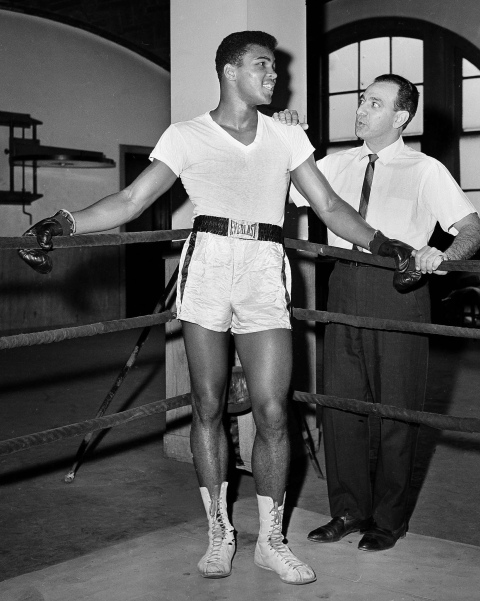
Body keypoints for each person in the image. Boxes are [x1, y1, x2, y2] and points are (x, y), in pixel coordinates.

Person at [18, 34, 416, 584]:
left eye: (275, 69)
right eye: (263, 67)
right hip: (206, 266)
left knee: (274, 409)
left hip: (263, 269)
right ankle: (219, 532)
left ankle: (271, 538)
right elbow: (132, 201)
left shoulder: (284, 136)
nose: (274, 76)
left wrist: (383, 244)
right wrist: (62, 222)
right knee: (207, 404)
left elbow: (327, 205)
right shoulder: (186, 135)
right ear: (230, 72)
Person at [285, 73, 480, 552]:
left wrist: (445, 256)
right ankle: (349, 510)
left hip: (400, 290)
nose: (360, 109)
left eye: (374, 103)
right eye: (360, 100)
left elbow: (472, 228)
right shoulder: (333, 165)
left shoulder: (425, 169)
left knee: (397, 409)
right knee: (341, 405)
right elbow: (284, 184)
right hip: (342, 285)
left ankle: (389, 520)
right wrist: (286, 134)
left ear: (401, 116)